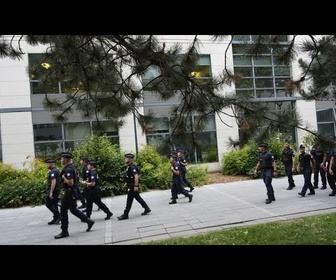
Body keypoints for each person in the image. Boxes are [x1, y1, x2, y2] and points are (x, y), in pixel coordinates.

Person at [54, 152, 95, 239]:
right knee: (73, 209)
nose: (61, 160)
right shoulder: (72, 166)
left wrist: (64, 178)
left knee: (63, 210)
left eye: (61, 159)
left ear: (65, 159)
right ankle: (88, 221)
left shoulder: (68, 169)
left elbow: (70, 182)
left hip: (69, 192)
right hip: (72, 191)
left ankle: (64, 231)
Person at [117, 153, 151, 220]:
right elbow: (129, 176)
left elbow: (136, 176)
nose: (125, 159)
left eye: (126, 158)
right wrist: (127, 183)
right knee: (138, 198)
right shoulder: (129, 166)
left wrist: (136, 186)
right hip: (130, 185)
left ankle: (125, 214)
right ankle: (147, 208)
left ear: (129, 159)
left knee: (129, 200)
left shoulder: (132, 167)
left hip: (132, 186)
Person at [45, 159, 61, 225]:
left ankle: (58, 215)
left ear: (51, 164)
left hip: (53, 190)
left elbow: (53, 182)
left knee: (48, 203)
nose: (46, 165)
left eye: (48, 164)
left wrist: (51, 192)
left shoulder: (53, 172)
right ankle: (56, 218)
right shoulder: (55, 170)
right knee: (54, 204)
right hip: (56, 189)